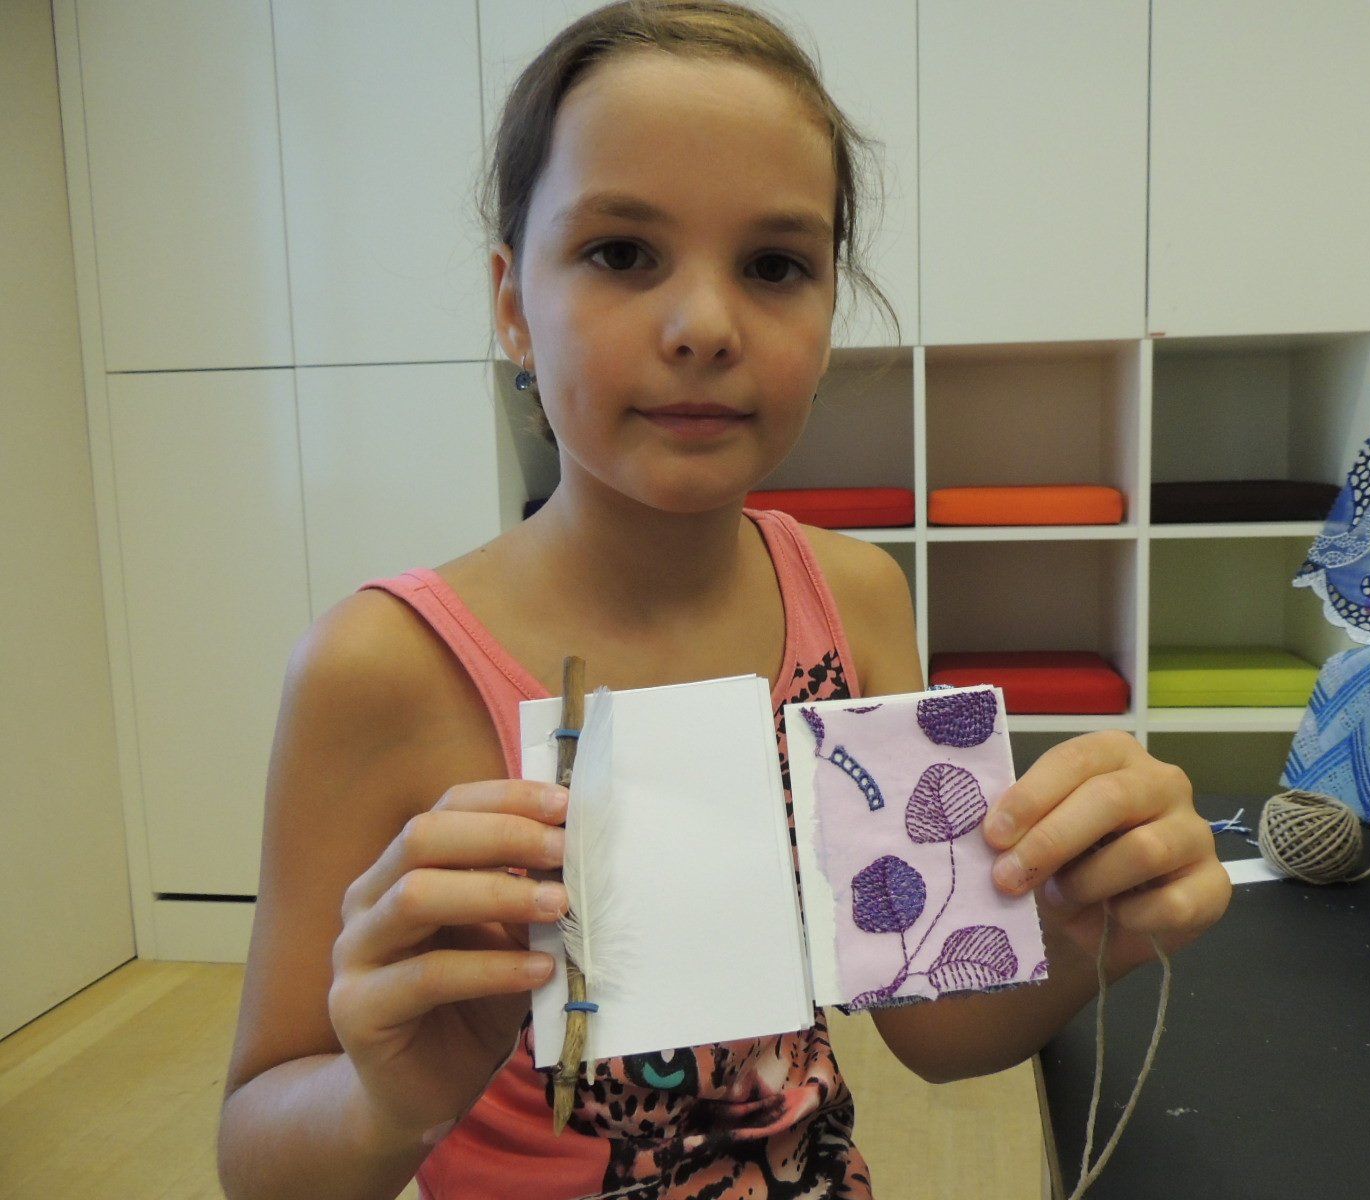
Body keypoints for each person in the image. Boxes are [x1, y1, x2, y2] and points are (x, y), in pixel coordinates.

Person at [215, 3, 1231, 1198]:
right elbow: (256, 1156)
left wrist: (1089, 919)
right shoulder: (381, 668)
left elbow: (934, 1029)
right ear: (511, 304)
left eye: (774, 266)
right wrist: (384, 1101)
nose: (704, 326)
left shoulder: (855, 600)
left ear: (828, 310)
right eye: (620, 253)